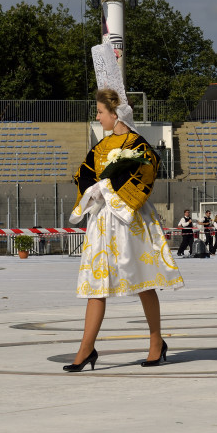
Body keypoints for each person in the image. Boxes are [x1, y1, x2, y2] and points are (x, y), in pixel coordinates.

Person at [65, 63, 183, 371]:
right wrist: (93, 189)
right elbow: (82, 174)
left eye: (100, 112)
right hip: (102, 221)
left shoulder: (137, 144)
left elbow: (146, 172)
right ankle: (86, 349)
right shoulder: (101, 146)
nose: (98, 117)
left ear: (115, 114)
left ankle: (156, 342)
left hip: (129, 219)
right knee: (96, 283)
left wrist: (107, 187)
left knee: (142, 282)